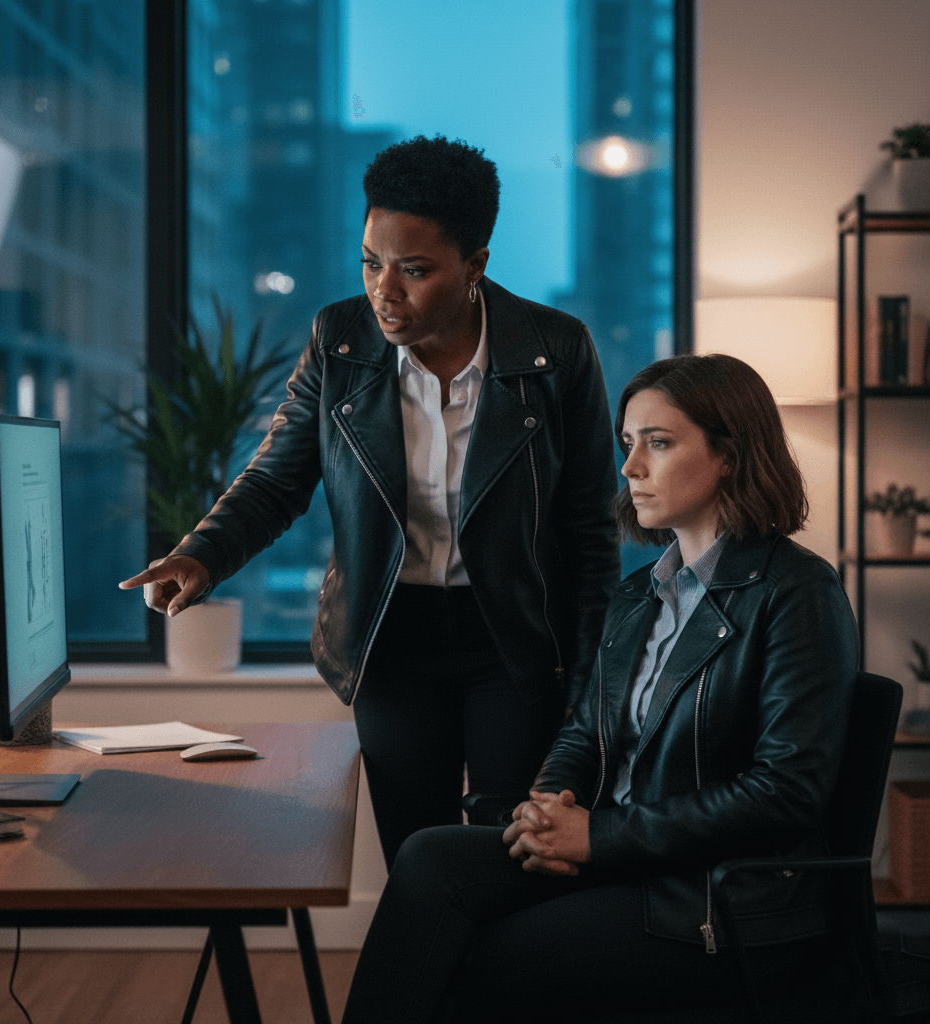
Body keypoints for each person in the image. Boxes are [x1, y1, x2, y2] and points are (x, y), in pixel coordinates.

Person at [119, 134, 620, 868]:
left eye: (414, 270)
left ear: (476, 265)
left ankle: (502, 985)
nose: (384, 290)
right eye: (371, 261)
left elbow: (589, 530)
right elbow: (277, 478)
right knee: (416, 855)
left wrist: (589, 679)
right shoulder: (339, 340)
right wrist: (201, 554)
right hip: (392, 639)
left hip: (513, 640)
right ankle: (435, 985)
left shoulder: (556, 349)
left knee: (512, 856)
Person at [339, 353, 860, 1023]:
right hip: (625, 861)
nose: (631, 466)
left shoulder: (796, 593)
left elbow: (785, 793)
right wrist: (547, 810)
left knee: (489, 954)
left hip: (715, 899)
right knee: (429, 856)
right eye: (628, 443)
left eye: (659, 443)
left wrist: (601, 837)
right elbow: (584, 733)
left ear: (730, 454)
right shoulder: (640, 596)